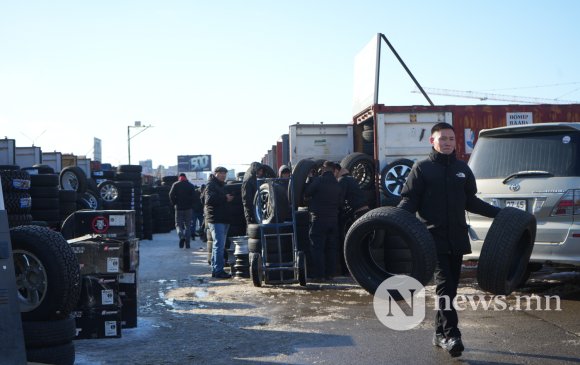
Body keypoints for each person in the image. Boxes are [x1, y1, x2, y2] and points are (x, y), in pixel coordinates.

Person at [397, 122, 501, 358]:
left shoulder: (462, 169)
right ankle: (453, 335)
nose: (447, 143)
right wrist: (389, 221)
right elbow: (409, 202)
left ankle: (438, 333)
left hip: (457, 238)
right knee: (444, 285)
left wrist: (500, 213)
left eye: (451, 139)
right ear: (432, 141)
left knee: (450, 289)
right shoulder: (421, 168)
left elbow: (471, 202)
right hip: (432, 239)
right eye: (442, 138)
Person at [303, 160, 344, 281]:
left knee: (317, 248)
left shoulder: (319, 181)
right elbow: (340, 203)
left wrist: (309, 179)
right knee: (331, 248)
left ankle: (319, 275)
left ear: (324, 169)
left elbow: (307, 192)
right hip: (333, 221)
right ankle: (330, 274)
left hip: (319, 220)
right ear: (333, 170)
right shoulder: (338, 184)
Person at [333, 163, 370, 274]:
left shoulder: (343, 181)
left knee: (350, 243)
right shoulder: (351, 179)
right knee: (363, 244)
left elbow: (340, 199)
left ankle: (349, 271)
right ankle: (366, 270)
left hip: (358, 214)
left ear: (336, 171)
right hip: (365, 212)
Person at [204, 166, 234, 279]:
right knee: (219, 246)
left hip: (223, 219)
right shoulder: (211, 185)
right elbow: (209, 200)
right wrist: (225, 197)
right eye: (221, 173)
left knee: (218, 246)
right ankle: (218, 271)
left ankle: (215, 270)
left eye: (224, 173)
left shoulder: (221, 185)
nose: (223, 175)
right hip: (216, 220)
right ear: (215, 173)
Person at [169, 173, 196, 249]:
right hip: (188, 208)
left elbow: (170, 195)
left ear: (179, 177)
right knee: (188, 226)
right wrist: (191, 204)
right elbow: (194, 197)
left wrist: (174, 203)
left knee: (178, 225)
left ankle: (181, 237)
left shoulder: (176, 184)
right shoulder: (190, 185)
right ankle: (187, 244)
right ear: (185, 177)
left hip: (178, 208)